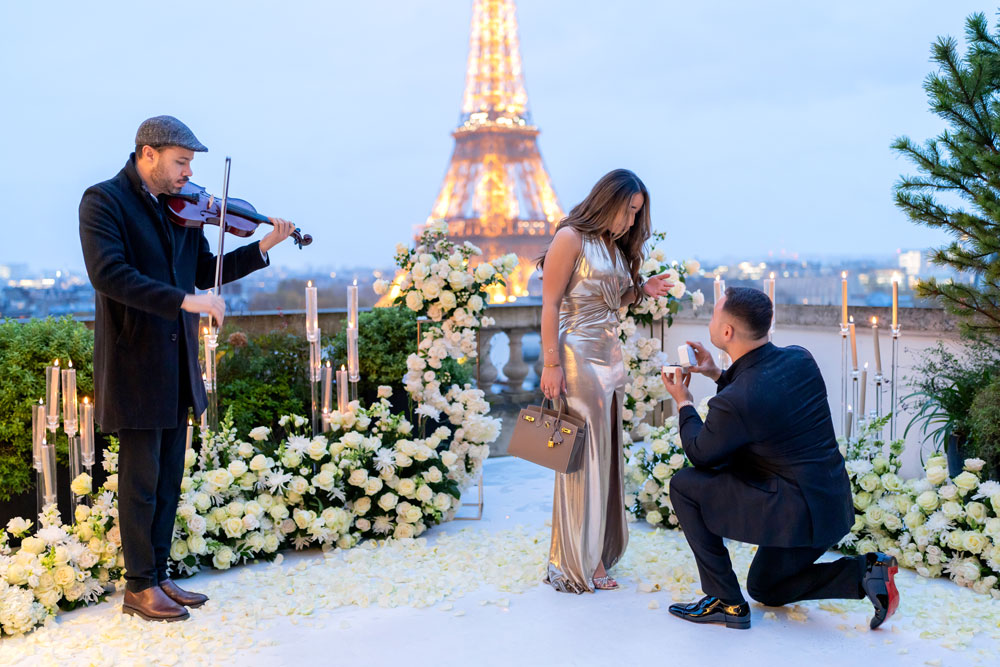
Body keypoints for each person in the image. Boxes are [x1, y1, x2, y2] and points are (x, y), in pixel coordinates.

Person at [79, 116, 296, 622]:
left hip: (178, 363)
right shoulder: (103, 201)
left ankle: (157, 573)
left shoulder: (183, 211)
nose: (187, 173)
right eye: (181, 162)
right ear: (147, 154)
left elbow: (203, 272)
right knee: (141, 480)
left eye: (192, 165)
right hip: (134, 361)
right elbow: (109, 275)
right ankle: (138, 587)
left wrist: (261, 248)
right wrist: (185, 301)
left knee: (170, 476)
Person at [660, 286, 899, 630]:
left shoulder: (738, 398)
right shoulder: (799, 358)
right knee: (765, 586)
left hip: (795, 511)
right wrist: (716, 373)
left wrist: (682, 400)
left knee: (684, 485)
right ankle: (866, 574)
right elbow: (758, 398)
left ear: (726, 332)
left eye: (714, 314)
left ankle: (725, 603)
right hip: (831, 508)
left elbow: (701, 454)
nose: (711, 320)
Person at [537, 169, 674, 593]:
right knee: (584, 453)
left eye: (637, 214)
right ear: (609, 200)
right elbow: (550, 302)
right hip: (577, 354)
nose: (632, 222)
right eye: (629, 211)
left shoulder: (613, 247)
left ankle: (595, 549)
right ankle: (582, 559)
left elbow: (614, 300)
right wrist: (550, 364)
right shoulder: (571, 238)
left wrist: (641, 289)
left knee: (606, 452)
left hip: (610, 355)